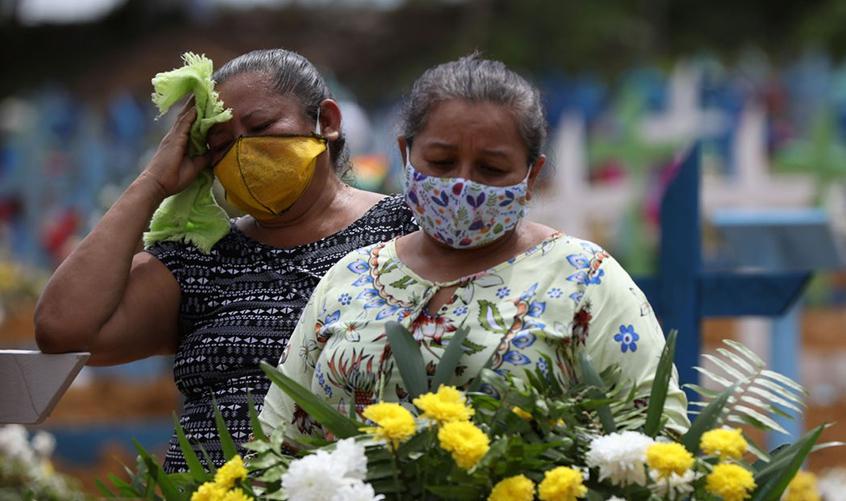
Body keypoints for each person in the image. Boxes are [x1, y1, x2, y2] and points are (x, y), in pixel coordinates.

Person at [259, 54, 689, 442]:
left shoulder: (583, 278)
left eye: (491, 168)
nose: (462, 184)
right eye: (442, 163)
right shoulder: (351, 278)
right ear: (405, 155)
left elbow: (656, 438)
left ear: (532, 175)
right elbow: (278, 440)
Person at [34, 49, 418, 471]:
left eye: (261, 127)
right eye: (220, 144)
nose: (243, 151)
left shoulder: (405, 231)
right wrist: (153, 182)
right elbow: (62, 328)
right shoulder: (200, 260)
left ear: (326, 122)